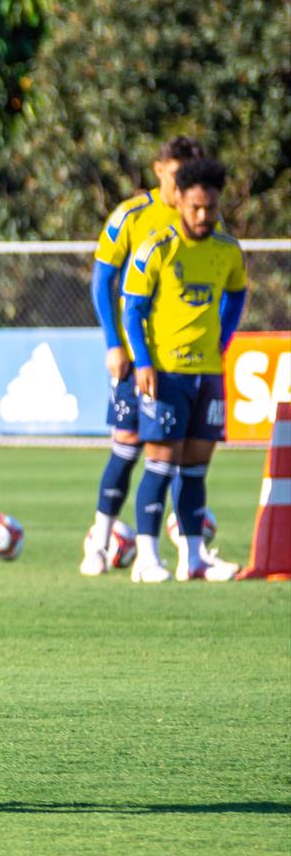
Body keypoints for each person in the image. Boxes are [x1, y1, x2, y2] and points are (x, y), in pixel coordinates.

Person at [80, 136, 208, 576]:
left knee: (177, 456)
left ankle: (181, 551)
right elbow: (102, 283)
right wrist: (114, 342)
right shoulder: (131, 215)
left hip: (179, 360)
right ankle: (98, 542)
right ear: (159, 170)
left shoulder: (202, 217)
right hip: (138, 357)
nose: (185, 185)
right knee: (128, 447)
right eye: (178, 175)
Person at [122, 157, 247, 584]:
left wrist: (224, 338)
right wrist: (142, 360)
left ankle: (193, 558)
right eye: (195, 208)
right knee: (160, 464)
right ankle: (146, 559)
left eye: (209, 208)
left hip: (207, 372)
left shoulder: (228, 251)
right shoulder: (157, 246)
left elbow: (236, 295)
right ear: (179, 202)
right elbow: (133, 306)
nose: (202, 216)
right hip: (166, 373)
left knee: (196, 468)